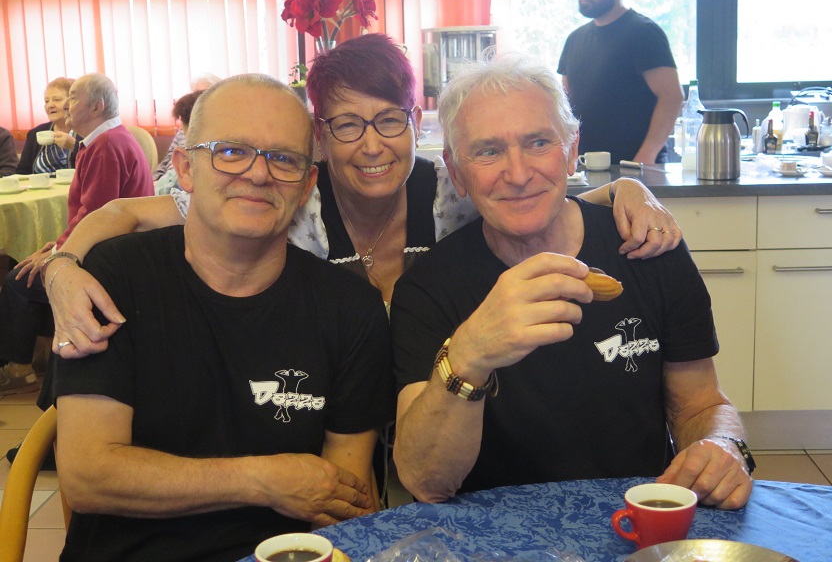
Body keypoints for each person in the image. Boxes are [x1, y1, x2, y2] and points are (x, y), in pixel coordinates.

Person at [42, 34, 681, 361]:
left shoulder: (451, 190)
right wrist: (64, 267)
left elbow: (537, 191)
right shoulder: (288, 200)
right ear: (320, 136)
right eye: (347, 124)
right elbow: (125, 212)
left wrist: (628, 188)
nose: (371, 146)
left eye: (389, 120)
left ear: (415, 123)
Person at [53, 74, 394, 562]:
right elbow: (88, 476)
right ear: (185, 168)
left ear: (306, 186)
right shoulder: (115, 277)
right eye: (231, 151)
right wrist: (264, 480)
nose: (258, 174)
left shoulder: (350, 308)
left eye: (284, 159)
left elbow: (343, 499)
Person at [391, 53, 753, 511]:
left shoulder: (647, 249)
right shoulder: (427, 289)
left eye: (539, 142)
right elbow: (426, 481)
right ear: (456, 170)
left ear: (572, 149)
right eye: (488, 151)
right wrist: (468, 355)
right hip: (494, 533)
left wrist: (724, 445)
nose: (519, 174)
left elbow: (700, 405)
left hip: (636, 520)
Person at [0, 73, 153, 396]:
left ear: (96, 107)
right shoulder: (104, 139)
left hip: (114, 254)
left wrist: (59, 254)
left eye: (72, 97)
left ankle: (20, 370)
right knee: (31, 268)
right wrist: (56, 246)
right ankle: (45, 359)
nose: (66, 105)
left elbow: (96, 215)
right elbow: (89, 213)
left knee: (18, 280)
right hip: (111, 244)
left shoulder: (106, 145)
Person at [557, 0, 683, 164]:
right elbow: (564, 103)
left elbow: (672, 97)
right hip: (585, 167)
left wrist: (645, 157)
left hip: (635, 168)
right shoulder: (575, 39)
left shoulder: (644, 32)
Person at [153, 73, 221, 183]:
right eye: (195, 94)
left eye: (203, 94)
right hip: (165, 183)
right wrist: (155, 180)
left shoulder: (217, 133)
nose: (197, 99)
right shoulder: (183, 128)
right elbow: (167, 160)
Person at [15, 77, 82, 175]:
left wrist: (75, 146)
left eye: (57, 100)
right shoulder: (35, 133)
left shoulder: (87, 131)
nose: (50, 105)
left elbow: (95, 164)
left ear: (73, 102)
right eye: (47, 101)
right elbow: (22, 172)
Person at [153, 89, 205, 195]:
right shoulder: (181, 132)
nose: (181, 126)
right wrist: (154, 180)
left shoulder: (197, 156)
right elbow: (167, 159)